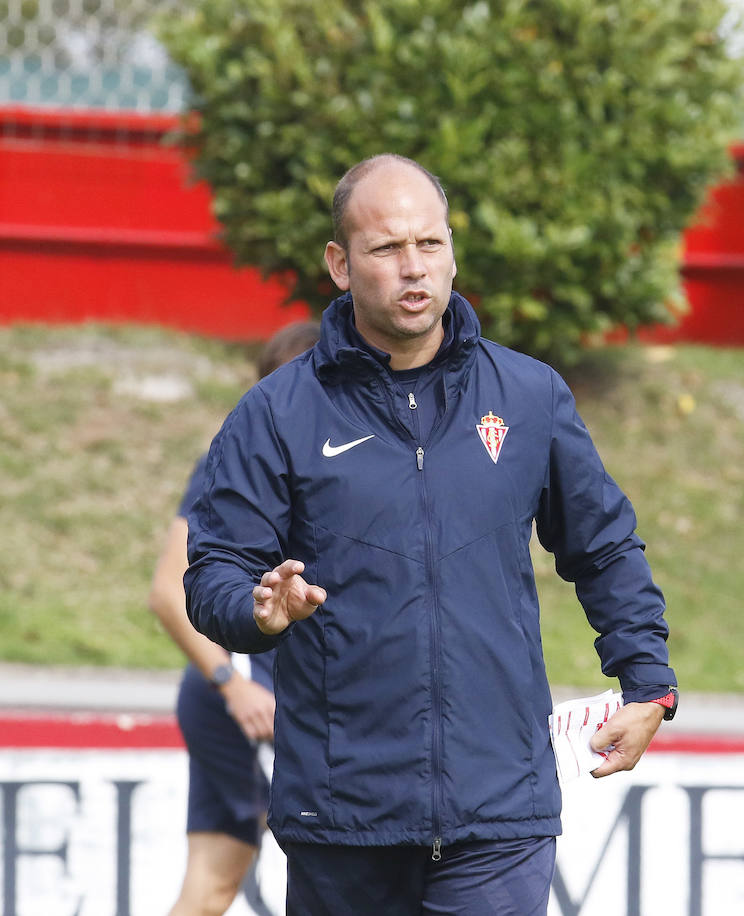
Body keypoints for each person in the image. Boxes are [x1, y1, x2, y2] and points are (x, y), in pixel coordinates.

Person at [183, 153, 678, 915]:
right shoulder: (276, 413)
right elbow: (213, 567)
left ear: (452, 252)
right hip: (341, 816)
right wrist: (256, 611)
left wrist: (648, 683)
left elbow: (604, 547)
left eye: (430, 244)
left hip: (500, 811)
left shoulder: (530, 395)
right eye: (386, 248)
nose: (413, 267)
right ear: (341, 265)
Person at [149, 319, 320, 916]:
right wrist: (232, 685)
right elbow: (168, 592)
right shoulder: (235, 461)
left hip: (279, 693)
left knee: (213, 888)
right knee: (232, 882)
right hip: (245, 696)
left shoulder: (341, 460)